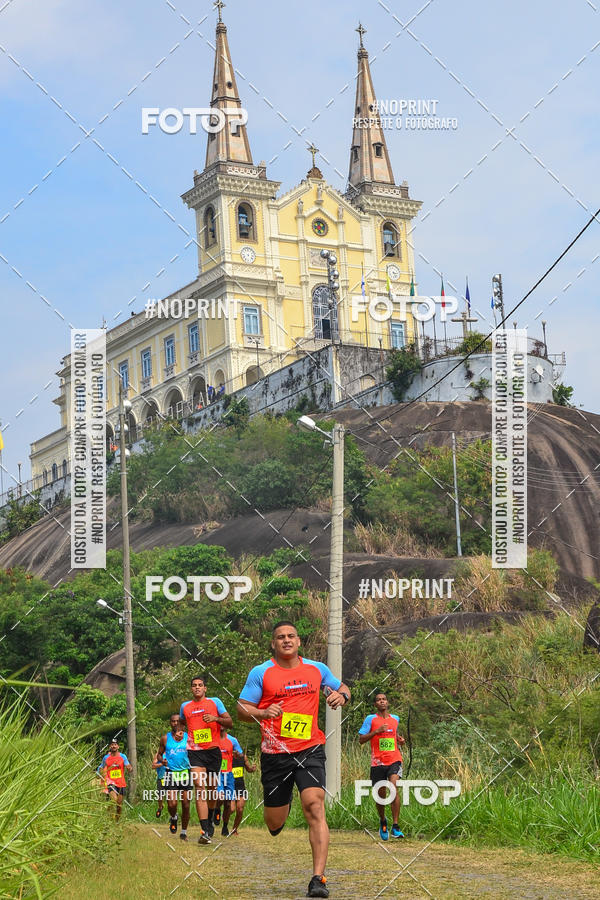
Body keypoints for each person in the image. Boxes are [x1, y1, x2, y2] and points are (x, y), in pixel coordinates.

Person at [238, 620, 351, 899]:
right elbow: (242, 709)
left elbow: (344, 688)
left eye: (291, 636)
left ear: (299, 641)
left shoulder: (316, 669)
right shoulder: (261, 672)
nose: (286, 640)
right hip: (275, 754)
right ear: (273, 643)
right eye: (280, 637)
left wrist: (341, 697)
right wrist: (263, 713)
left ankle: (318, 878)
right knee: (274, 823)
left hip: (309, 748)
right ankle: (283, 803)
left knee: (314, 805)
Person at [179, 675, 232, 844]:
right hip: (195, 751)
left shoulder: (215, 702)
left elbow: (230, 722)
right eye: (194, 685)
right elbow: (181, 722)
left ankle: (210, 817)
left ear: (205, 688)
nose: (197, 687)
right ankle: (204, 831)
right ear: (191, 689)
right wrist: (180, 732)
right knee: (199, 787)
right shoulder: (185, 707)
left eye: (200, 685)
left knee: (211, 789)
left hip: (213, 752)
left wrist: (216, 719)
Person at [358, 692, 406, 840]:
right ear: (375, 704)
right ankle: (383, 821)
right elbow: (361, 739)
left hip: (394, 759)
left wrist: (400, 741)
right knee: (381, 794)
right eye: (379, 700)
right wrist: (376, 731)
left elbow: (394, 736)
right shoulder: (370, 719)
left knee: (393, 787)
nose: (382, 701)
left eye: (384, 699)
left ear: (388, 702)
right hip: (377, 762)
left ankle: (396, 826)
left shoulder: (395, 719)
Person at [157, 714, 192, 841]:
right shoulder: (165, 738)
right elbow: (159, 754)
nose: (175, 723)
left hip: (185, 772)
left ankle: (183, 832)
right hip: (170, 772)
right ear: (170, 723)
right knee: (172, 804)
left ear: (181, 723)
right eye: (173, 721)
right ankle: (174, 817)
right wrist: (162, 761)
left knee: (186, 804)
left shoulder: (188, 737)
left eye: (178, 721)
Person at [213, 726, 244, 836]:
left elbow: (241, 754)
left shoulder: (233, 740)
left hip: (229, 774)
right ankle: (216, 808)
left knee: (228, 803)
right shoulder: (213, 738)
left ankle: (225, 826)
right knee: (220, 797)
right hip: (218, 773)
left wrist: (237, 755)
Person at [226, 740, 256, 836]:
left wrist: (252, 769)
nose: (237, 751)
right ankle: (224, 825)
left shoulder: (243, 757)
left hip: (240, 787)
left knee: (240, 809)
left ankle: (234, 829)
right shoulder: (227, 757)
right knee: (231, 809)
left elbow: (248, 769)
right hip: (230, 786)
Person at [99, 739, 132, 820]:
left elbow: (128, 765)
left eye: (115, 744)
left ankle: (116, 821)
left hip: (121, 783)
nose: (113, 746)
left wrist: (129, 768)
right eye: (112, 744)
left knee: (119, 805)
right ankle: (109, 817)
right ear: (110, 746)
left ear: (118, 746)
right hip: (110, 782)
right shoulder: (106, 758)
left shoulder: (123, 756)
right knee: (114, 800)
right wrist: (100, 773)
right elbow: (101, 767)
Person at [151, 752, 166, 818]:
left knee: (171, 797)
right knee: (160, 797)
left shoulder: (173, 753)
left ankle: (173, 815)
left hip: (171, 778)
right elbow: (153, 766)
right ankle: (160, 807)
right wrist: (162, 764)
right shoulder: (158, 755)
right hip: (161, 778)